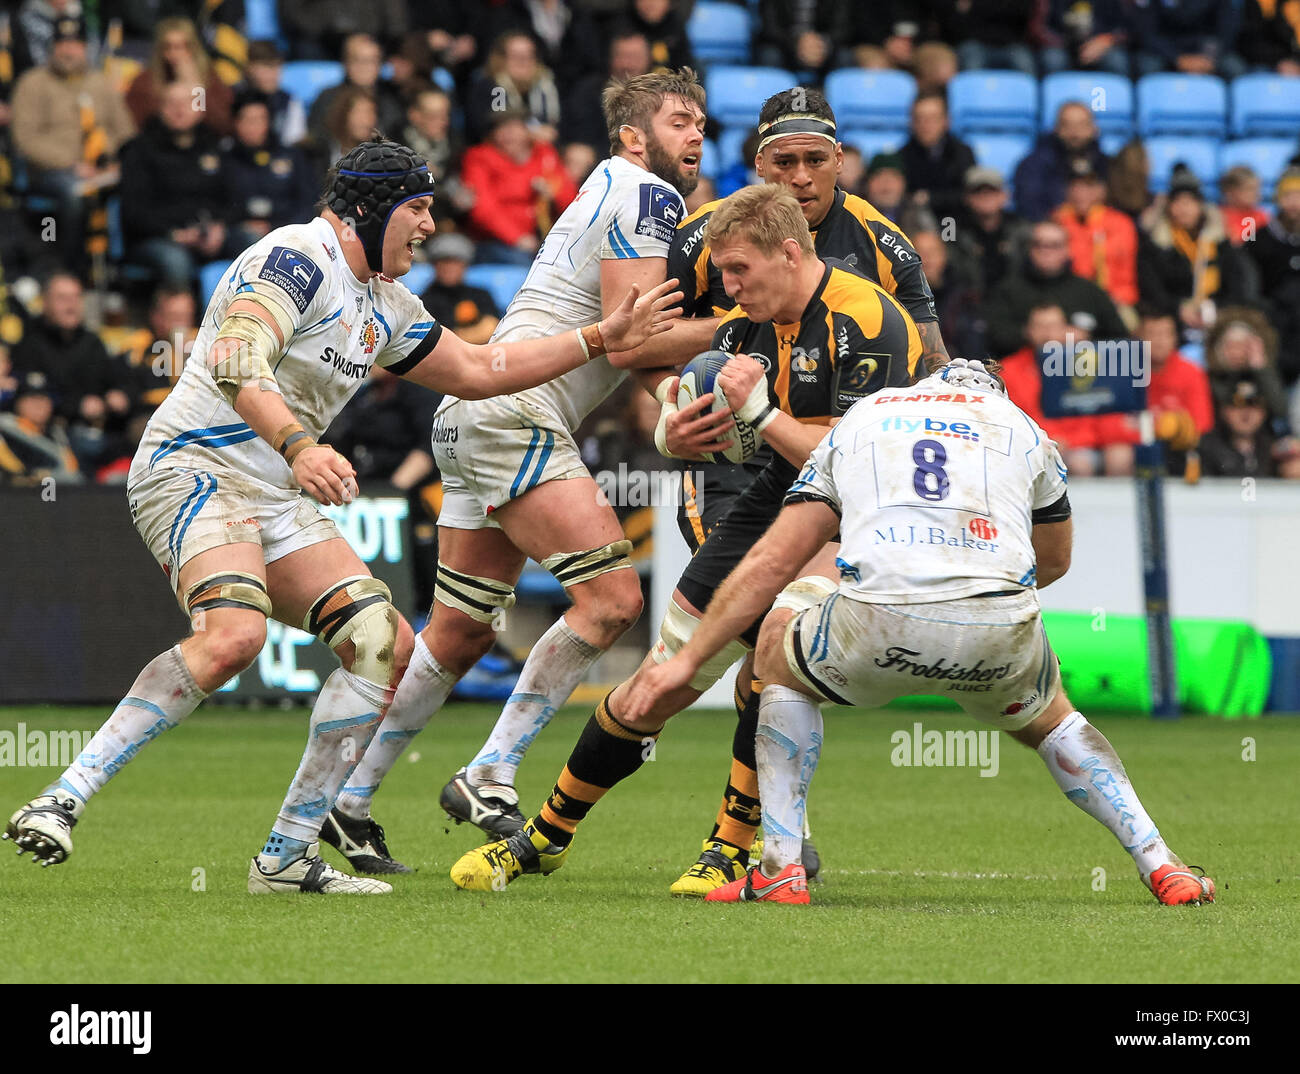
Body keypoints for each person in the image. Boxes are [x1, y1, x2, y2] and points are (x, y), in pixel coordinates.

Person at [2, 137, 680, 891]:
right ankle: (62, 798)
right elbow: (233, 359)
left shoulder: (386, 303)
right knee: (234, 637)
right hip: (193, 467)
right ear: (373, 207)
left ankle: (287, 855)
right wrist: (298, 446)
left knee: (378, 639)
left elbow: (484, 370)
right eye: (418, 209)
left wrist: (598, 337)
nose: (428, 227)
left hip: (272, 488)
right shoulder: (297, 257)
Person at [447, 182, 922, 894]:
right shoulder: (750, 322)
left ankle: (730, 847)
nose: (725, 289)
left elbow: (847, 465)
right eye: (721, 273)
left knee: (772, 657)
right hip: (774, 495)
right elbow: (677, 417)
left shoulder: (866, 319)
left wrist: (756, 414)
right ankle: (545, 836)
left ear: (788, 253)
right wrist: (678, 425)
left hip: (858, 513)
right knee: (657, 682)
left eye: (738, 272)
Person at [615, 357, 1216, 909]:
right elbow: (1053, 562)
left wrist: (689, 656)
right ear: (993, 394)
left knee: (775, 642)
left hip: (875, 622)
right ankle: (1161, 863)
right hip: (996, 627)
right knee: (1055, 719)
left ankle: (780, 865)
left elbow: (774, 559)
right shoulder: (1024, 427)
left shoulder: (865, 417)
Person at [312, 71, 714, 873]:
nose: (696, 134)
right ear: (634, 138)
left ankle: (347, 803)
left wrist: (670, 390)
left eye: (702, 121)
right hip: (515, 414)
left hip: (474, 415)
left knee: (457, 631)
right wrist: (751, 323)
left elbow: (625, 337)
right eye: (678, 121)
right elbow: (631, 339)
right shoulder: (648, 196)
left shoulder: (614, 189)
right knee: (612, 602)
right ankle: (490, 770)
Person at [652, 86, 947, 895]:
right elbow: (645, 345)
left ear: (840, 161)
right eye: (784, 161)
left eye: (816, 159)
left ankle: (743, 839)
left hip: (829, 464)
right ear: (758, 167)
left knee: (775, 646)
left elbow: (931, 360)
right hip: (725, 461)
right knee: (752, 643)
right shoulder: (702, 237)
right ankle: (761, 831)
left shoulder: (885, 245)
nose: (802, 175)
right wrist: (668, 415)